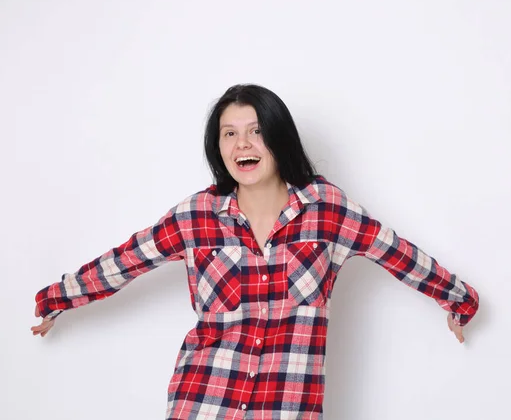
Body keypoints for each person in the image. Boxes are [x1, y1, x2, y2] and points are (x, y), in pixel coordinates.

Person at [32, 84, 479, 419]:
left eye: (255, 131)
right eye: (229, 133)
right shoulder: (196, 216)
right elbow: (125, 260)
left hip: (287, 405)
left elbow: (398, 253)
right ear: (219, 146)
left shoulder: (328, 211)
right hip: (202, 399)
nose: (241, 143)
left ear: (279, 139)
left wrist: (458, 300)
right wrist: (57, 299)